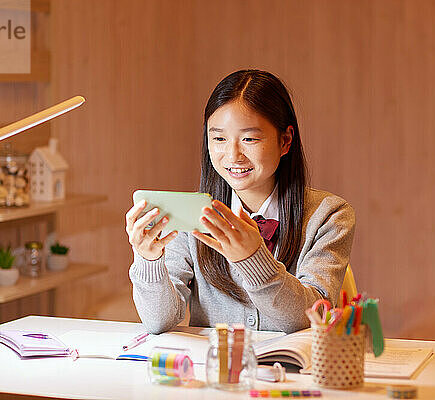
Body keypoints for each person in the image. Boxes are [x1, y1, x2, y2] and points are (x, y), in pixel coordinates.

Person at [125, 69, 355, 334]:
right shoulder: (190, 215)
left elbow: (311, 319)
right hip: (217, 372)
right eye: (219, 138)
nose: (233, 155)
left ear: (285, 141)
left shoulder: (330, 215)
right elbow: (160, 322)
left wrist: (252, 258)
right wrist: (148, 260)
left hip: (295, 373)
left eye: (249, 139)